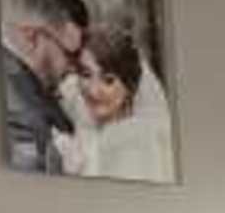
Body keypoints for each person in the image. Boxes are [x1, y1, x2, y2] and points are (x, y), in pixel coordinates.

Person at [0, 0, 87, 174]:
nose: (75, 67)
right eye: (70, 54)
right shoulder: (20, 113)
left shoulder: (29, 88)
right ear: (31, 37)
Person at [74, 32, 176, 183]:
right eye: (86, 75)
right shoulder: (82, 129)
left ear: (130, 87)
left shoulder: (139, 141)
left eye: (108, 80)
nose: (93, 91)